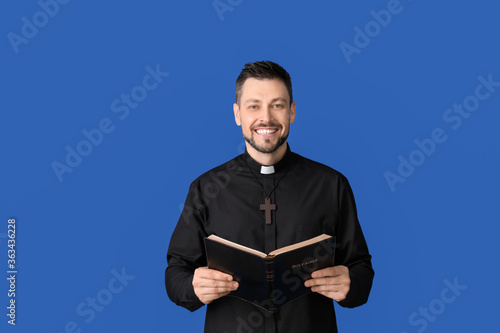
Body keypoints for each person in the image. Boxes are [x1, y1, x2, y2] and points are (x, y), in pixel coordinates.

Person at [165, 60, 374, 332]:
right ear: (238, 114)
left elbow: (361, 269)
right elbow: (175, 272)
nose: (266, 118)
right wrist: (192, 286)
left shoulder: (331, 184)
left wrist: (351, 283)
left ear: (292, 112)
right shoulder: (206, 188)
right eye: (254, 106)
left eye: (277, 105)